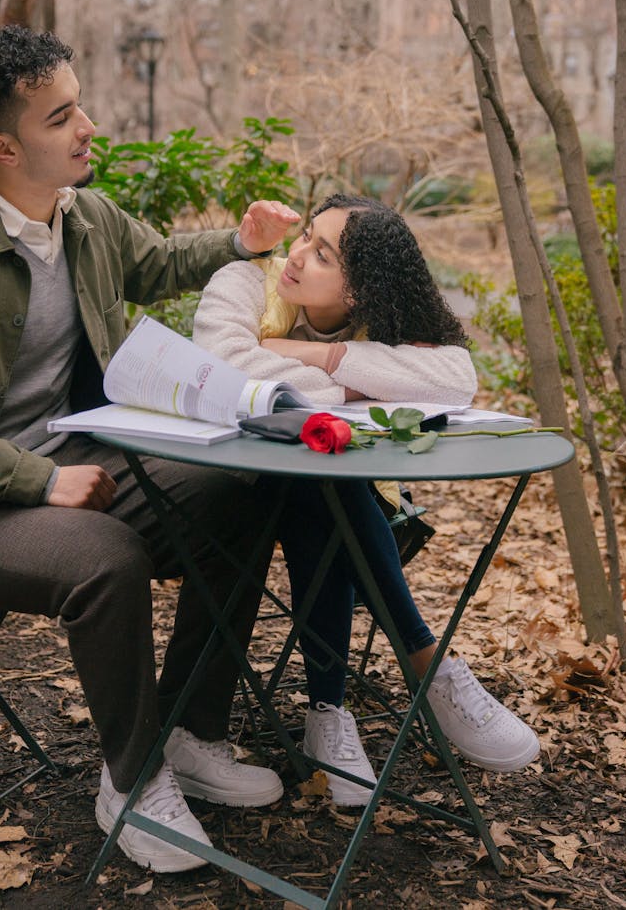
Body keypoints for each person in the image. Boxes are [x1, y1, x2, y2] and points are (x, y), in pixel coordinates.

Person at [0, 25, 309, 874]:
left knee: (244, 488)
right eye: (63, 116)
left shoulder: (82, 215)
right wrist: (36, 478)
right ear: (5, 147)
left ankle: (192, 730)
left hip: (76, 457)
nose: (89, 125)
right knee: (107, 554)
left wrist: (243, 241)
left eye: (80, 102)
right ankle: (131, 777)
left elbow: (155, 261)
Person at [193, 193, 541, 805]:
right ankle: (424, 666)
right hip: (227, 488)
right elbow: (226, 366)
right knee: (327, 482)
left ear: (358, 292)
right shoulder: (244, 280)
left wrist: (319, 357)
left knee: (320, 488)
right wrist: (359, 384)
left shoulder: (375, 321)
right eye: (307, 238)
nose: (297, 254)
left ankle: (329, 715)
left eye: (323, 254)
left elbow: (457, 378)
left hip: (319, 497)